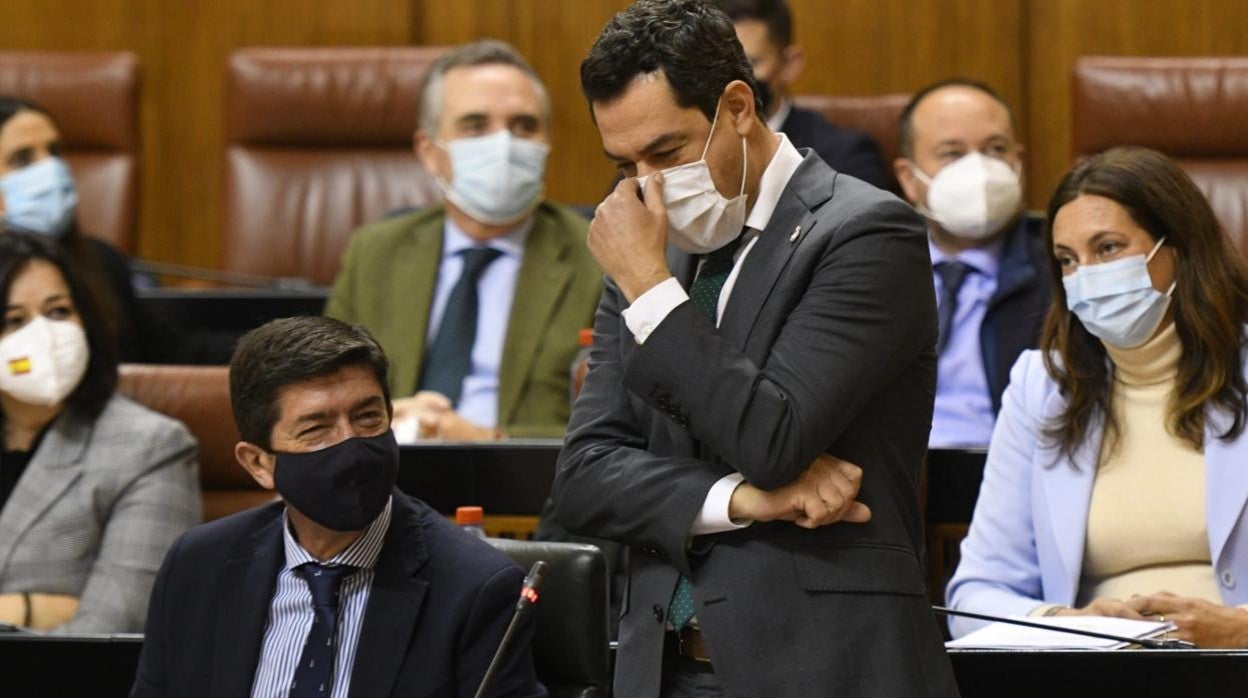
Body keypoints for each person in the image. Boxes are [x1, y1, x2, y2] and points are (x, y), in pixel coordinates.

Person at [551, 2, 958, 696]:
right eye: (625, 164)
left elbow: (772, 436)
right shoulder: (649, 249)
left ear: (738, 107)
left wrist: (650, 287)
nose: (646, 186)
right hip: (659, 666)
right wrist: (741, 500)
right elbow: (583, 478)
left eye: (667, 152)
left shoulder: (863, 233)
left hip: (825, 667)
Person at [130, 316, 546, 697]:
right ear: (258, 464)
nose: (351, 447)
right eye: (316, 429)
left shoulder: (474, 587)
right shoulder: (198, 566)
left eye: (368, 418)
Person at [946, 147, 1248, 648]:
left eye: (1107, 248)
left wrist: (1236, 630)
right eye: (1067, 260)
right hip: (1099, 675)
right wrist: (1069, 622)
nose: (1085, 276)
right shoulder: (1042, 388)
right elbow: (976, 593)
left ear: (1178, 248)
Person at [325, 40, 602, 441]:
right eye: (475, 126)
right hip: (388, 478)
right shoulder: (375, 251)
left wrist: (485, 441)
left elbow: (616, 429)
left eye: (524, 126)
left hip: (531, 490)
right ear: (428, 150)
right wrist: (383, 417)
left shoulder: (596, 255)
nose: (504, 145)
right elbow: (325, 391)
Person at [0, 232, 200, 633]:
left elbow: (114, 629)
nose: (44, 336)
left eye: (58, 312)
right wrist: (30, 610)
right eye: (14, 320)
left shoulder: (151, 447)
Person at [0, 97, 229, 364]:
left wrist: (275, 342)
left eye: (54, 152)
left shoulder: (100, 261)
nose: (50, 169)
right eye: (22, 160)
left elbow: (178, 353)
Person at [893, 79, 1049, 448]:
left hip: (1008, 469)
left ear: (1018, 163)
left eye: (996, 149)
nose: (979, 169)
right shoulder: (870, 266)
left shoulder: (1059, 265)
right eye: (952, 153)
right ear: (908, 178)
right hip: (900, 478)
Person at [710, 0, 891, 190]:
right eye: (717, 66)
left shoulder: (843, 157)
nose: (730, 82)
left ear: (789, 65)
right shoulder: (688, 151)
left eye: (749, 64)